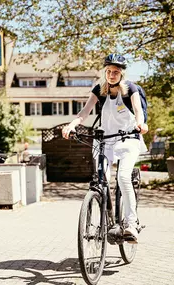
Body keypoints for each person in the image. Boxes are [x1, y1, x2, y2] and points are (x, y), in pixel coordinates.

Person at [62, 54, 148, 243]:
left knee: (124, 177)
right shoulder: (99, 90)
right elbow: (84, 112)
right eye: (108, 71)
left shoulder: (130, 89)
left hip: (127, 139)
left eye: (115, 72)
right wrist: (72, 125)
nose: (111, 75)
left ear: (121, 74)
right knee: (101, 180)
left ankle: (131, 224)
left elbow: (138, 111)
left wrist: (141, 124)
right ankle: (107, 218)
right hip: (104, 141)